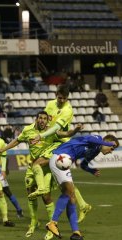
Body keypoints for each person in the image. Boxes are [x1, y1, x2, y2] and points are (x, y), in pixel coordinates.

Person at [0, 111, 83, 239]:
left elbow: (66, 134)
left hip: (46, 167)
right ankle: (34, 222)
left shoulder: (51, 131)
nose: (42, 121)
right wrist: (3, 149)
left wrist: (75, 130)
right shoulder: (28, 130)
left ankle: (52, 226)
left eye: (45, 119)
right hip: (32, 166)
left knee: (46, 196)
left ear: (47, 121)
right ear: (36, 119)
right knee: (30, 194)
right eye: (40, 118)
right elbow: (17, 141)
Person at [45, 134, 119, 240]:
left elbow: (83, 164)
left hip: (65, 161)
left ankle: (76, 233)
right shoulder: (98, 139)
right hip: (61, 157)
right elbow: (89, 139)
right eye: (112, 148)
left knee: (72, 198)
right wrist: (108, 143)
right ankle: (53, 223)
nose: (111, 151)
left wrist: (91, 170)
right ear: (106, 142)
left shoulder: (95, 151)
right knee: (69, 193)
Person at [30, 85, 92, 223]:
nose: (62, 100)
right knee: (63, 183)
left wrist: (41, 136)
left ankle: (41, 189)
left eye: (64, 98)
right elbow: (44, 120)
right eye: (60, 97)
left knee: (38, 164)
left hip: (61, 144)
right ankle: (83, 205)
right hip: (50, 142)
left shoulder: (67, 110)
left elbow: (57, 128)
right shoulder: (50, 104)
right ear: (56, 94)